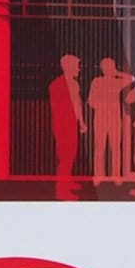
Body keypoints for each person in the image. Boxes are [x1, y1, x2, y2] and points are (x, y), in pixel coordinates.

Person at [87, 57, 131, 180]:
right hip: (100, 118)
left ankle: (115, 175)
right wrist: (100, 106)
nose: (109, 69)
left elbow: (130, 79)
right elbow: (90, 101)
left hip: (115, 119)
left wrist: (117, 73)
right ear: (102, 69)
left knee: (115, 147)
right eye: (106, 67)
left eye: (111, 66)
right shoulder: (97, 81)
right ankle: (98, 175)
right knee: (99, 147)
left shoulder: (116, 82)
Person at [48, 54, 85, 198]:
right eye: (77, 65)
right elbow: (61, 109)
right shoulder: (57, 85)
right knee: (65, 157)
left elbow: (77, 104)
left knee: (71, 155)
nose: (79, 69)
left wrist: (81, 122)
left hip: (70, 124)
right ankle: (61, 191)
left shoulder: (74, 84)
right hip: (63, 125)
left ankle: (67, 182)